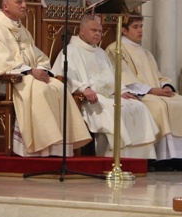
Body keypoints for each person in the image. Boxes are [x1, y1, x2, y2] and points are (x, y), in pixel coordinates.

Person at [0, 0, 91, 157]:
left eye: (24, 1)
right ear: (5, 7)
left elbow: (39, 58)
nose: (24, 5)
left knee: (58, 86)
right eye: (19, 2)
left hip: (22, 79)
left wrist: (40, 70)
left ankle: (58, 146)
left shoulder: (23, 31)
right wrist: (29, 71)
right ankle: (39, 147)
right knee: (38, 88)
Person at [105, 13, 182, 171]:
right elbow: (124, 78)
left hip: (156, 92)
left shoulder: (146, 52)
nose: (140, 31)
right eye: (135, 27)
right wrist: (152, 90)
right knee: (161, 106)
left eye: (141, 26)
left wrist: (166, 86)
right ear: (124, 30)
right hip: (139, 94)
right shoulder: (115, 49)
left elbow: (158, 75)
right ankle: (162, 158)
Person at [52, 15, 159, 159]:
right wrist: (84, 88)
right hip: (91, 99)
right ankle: (112, 157)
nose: (98, 34)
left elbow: (114, 75)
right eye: (94, 30)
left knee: (139, 107)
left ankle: (140, 158)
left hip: (111, 95)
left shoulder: (100, 52)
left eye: (100, 31)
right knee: (112, 110)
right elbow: (63, 77)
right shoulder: (70, 50)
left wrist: (122, 91)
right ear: (82, 31)